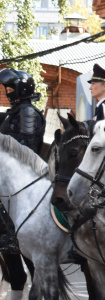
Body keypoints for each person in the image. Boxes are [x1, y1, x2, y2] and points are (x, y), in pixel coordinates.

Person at [0, 68, 45, 252]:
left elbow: (27, 146)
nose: (7, 93)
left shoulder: (27, 113)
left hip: (25, 173)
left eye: (10, 89)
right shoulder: (15, 112)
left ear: (21, 90)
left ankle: (10, 235)